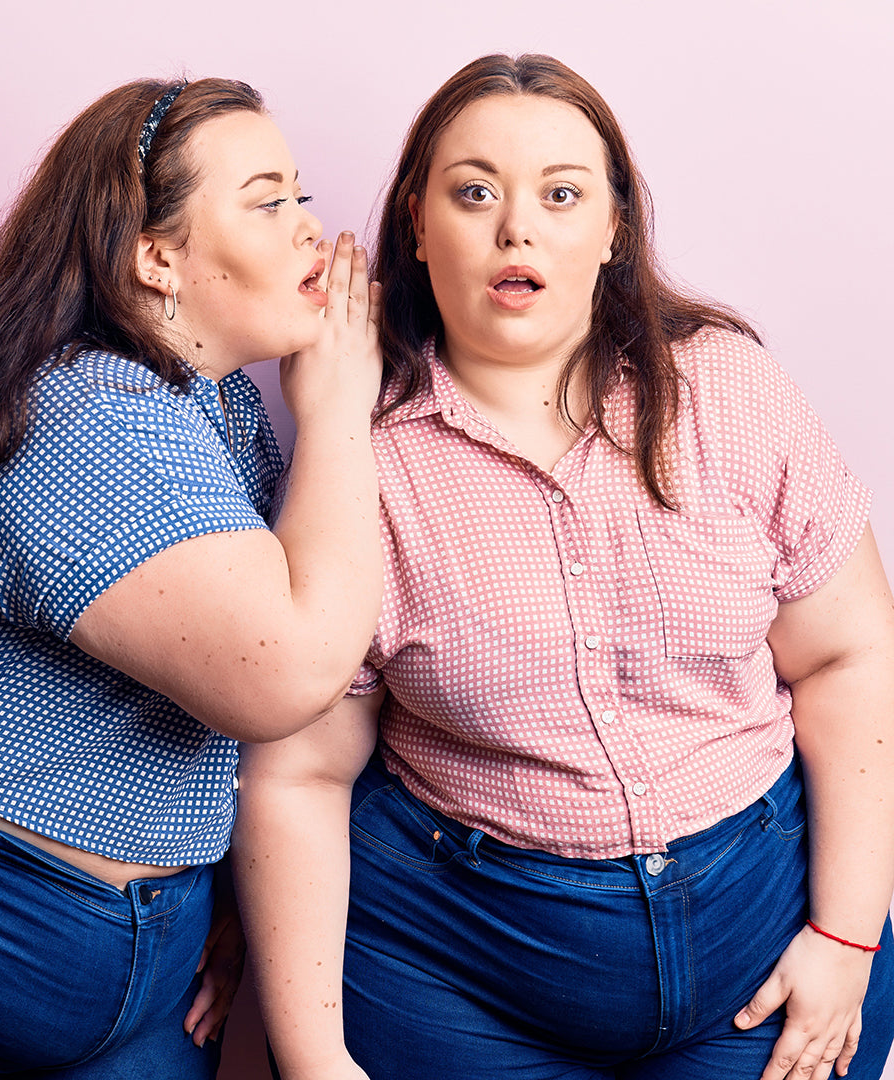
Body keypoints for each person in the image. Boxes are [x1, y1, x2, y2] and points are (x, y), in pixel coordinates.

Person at [233, 53, 894, 1080]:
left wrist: (848, 938)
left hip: (757, 934)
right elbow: (305, 773)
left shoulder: (729, 392)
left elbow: (849, 655)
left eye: (561, 194)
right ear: (417, 223)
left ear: (614, 227)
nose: (517, 228)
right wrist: (314, 1055)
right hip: (455, 967)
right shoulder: (358, 468)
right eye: (475, 191)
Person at [0, 75, 382, 1078]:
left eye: (301, 194)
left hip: (135, 972)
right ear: (157, 259)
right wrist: (340, 408)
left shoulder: (215, 411)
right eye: (266, 201)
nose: (310, 229)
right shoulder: (89, 415)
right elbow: (284, 676)